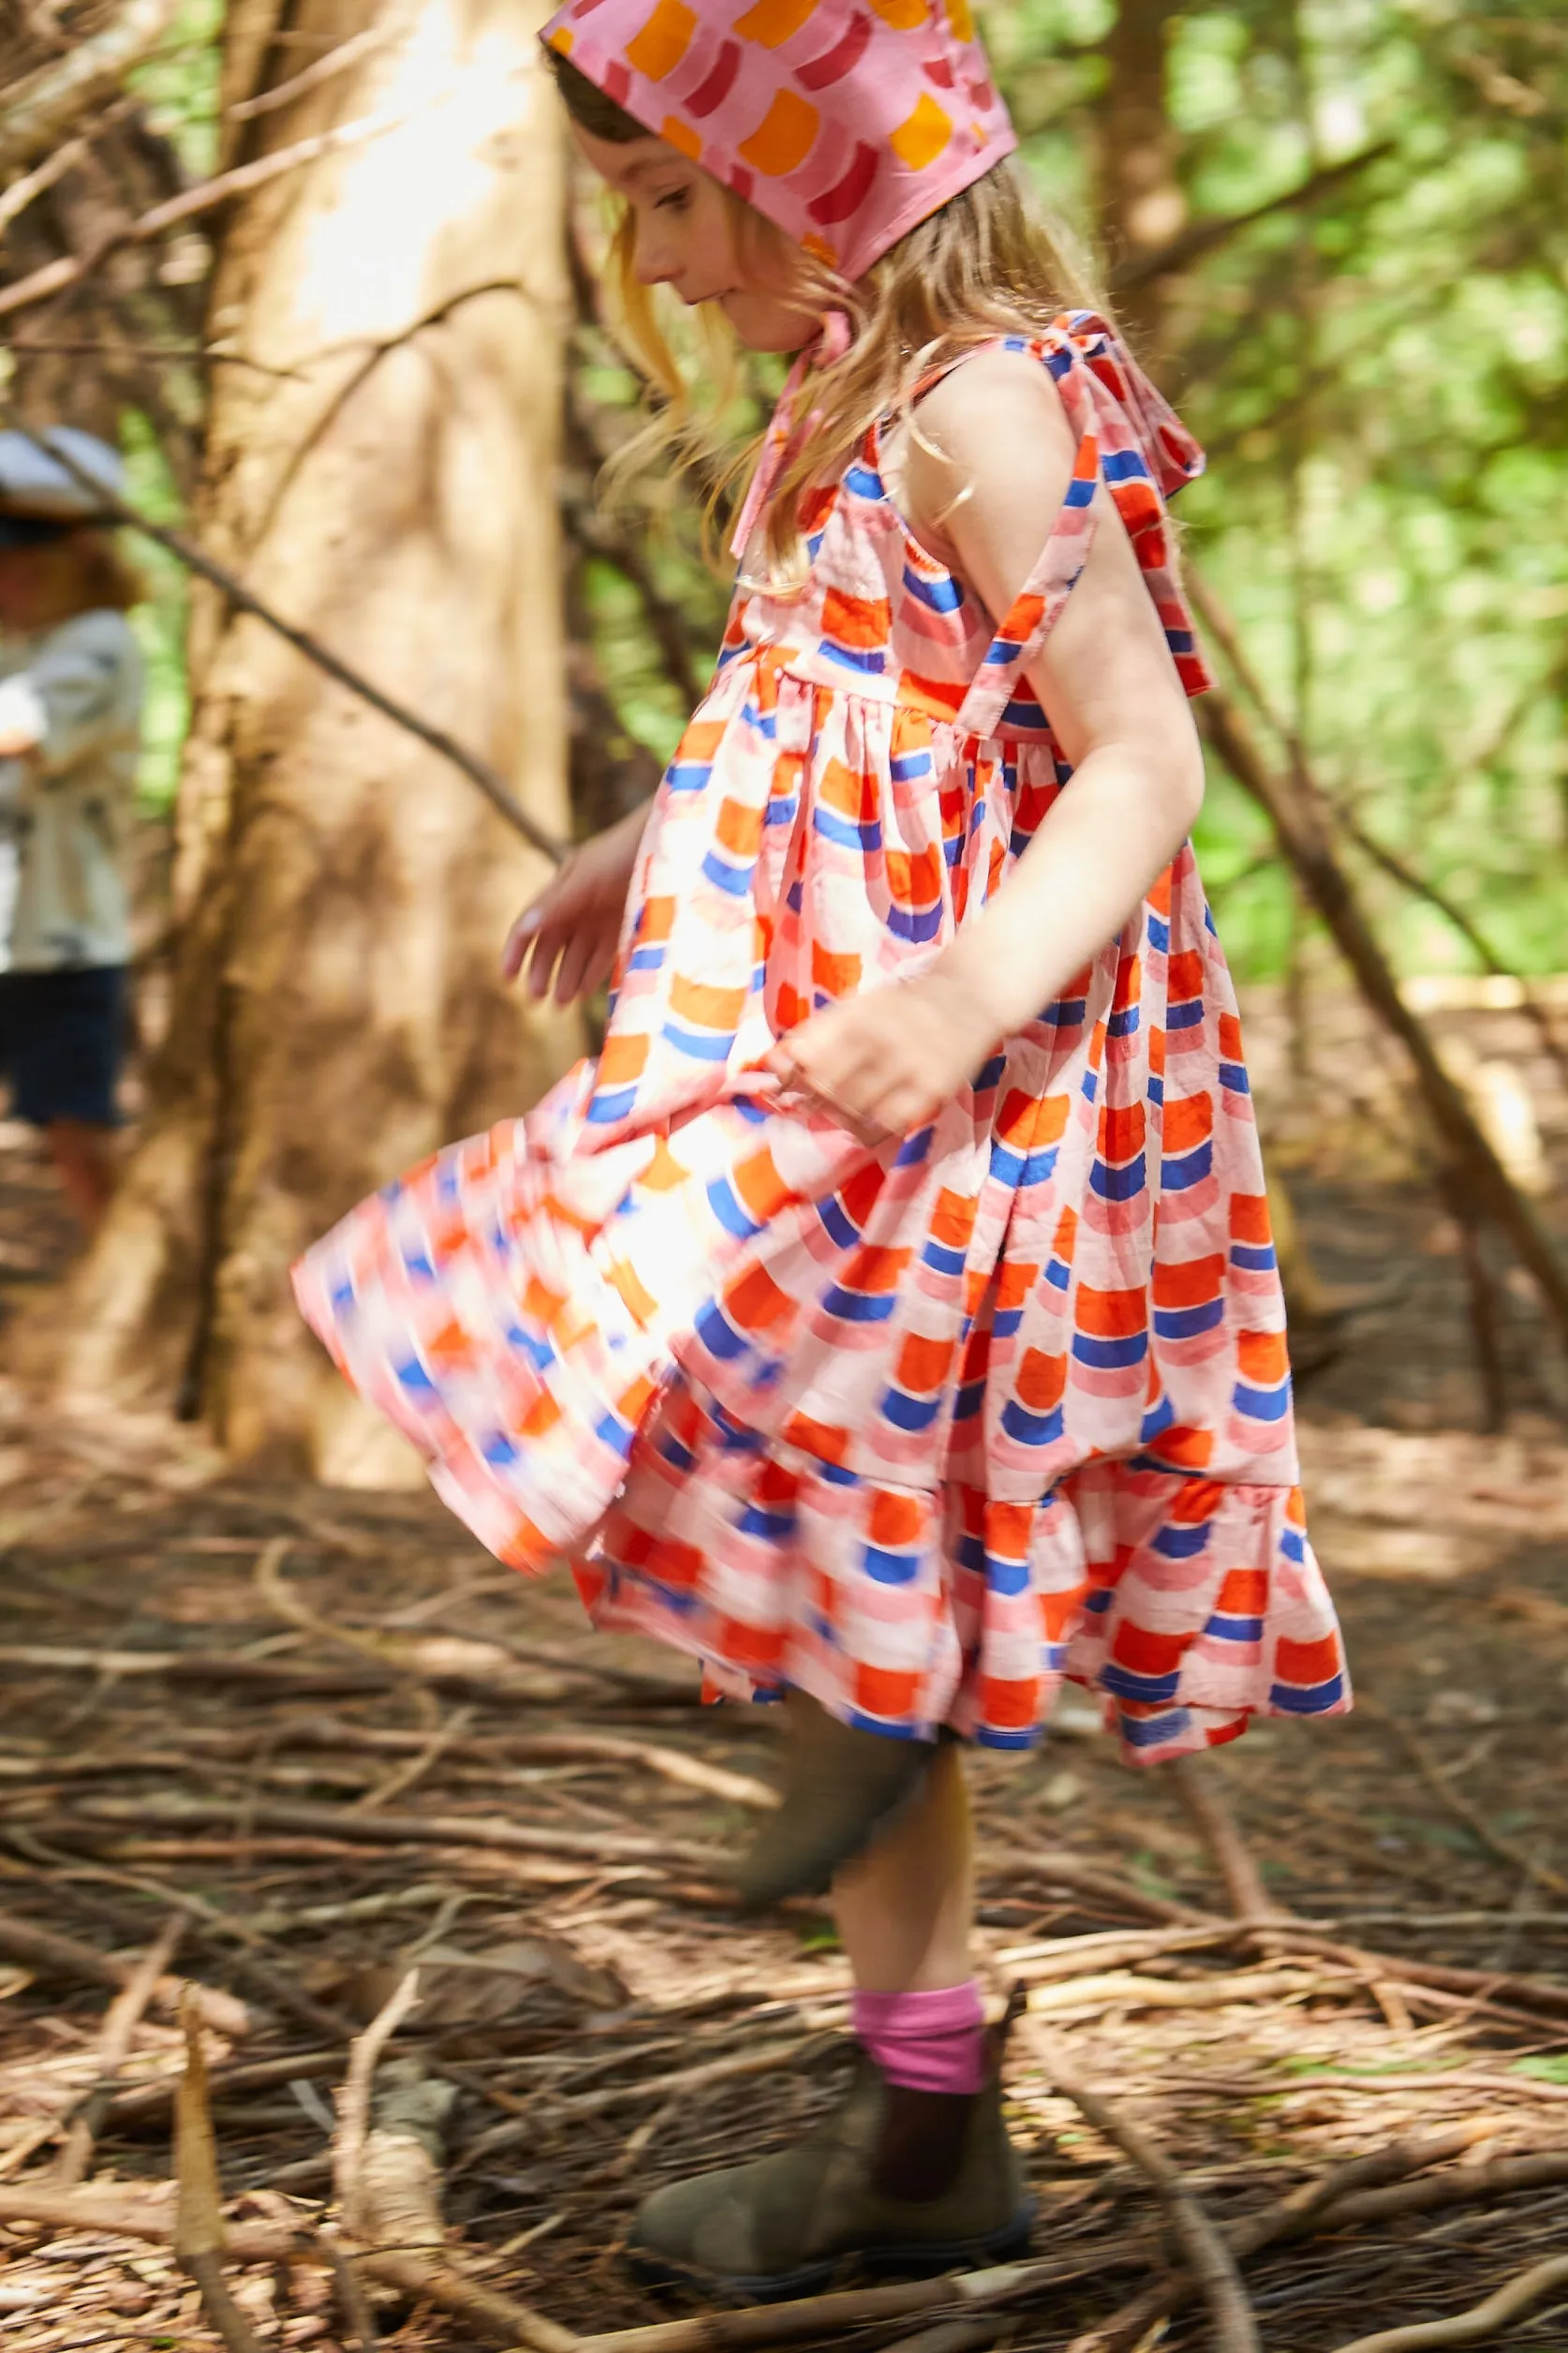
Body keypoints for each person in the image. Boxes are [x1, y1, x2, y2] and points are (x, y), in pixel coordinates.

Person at [295, 0, 1350, 2298]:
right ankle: (923, 2107)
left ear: (821, 170)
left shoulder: (980, 403)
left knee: (795, 1459)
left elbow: (1136, 764)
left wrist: (964, 990)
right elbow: (847, 701)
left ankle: (912, 2054)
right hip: (840, 1060)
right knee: (795, 1514)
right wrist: (647, 828)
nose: (657, 263)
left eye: (676, 195)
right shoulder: (847, 402)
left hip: (971, 1079)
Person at [0, 428, 143, 1236]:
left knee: (78, 1134)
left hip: (64, 945)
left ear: (81, 551)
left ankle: (117, 1264)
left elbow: (20, 726)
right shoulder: (23, 645)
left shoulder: (100, 646)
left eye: (21, 550)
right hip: (11, 938)